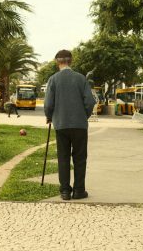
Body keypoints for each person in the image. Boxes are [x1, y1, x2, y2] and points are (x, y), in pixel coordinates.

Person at [44, 50, 96, 201]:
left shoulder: (53, 79)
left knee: (63, 157)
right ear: (71, 61)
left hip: (61, 124)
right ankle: (79, 190)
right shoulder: (81, 78)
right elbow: (90, 102)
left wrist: (49, 116)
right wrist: (83, 116)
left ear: (57, 62)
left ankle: (65, 191)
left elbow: (48, 104)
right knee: (80, 158)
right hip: (79, 125)